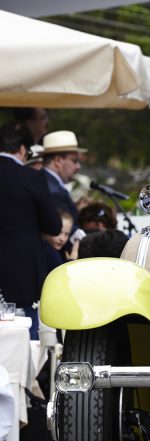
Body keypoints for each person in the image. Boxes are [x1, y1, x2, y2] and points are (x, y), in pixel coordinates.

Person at [0, 121, 62, 339]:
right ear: (23, 149)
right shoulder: (31, 178)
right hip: (22, 273)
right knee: (25, 339)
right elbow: (54, 226)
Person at [41, 130, 86, 224]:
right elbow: (65, 230)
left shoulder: (49, 183)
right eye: (74, 161)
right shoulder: (52, 190)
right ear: (58, 161)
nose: (78, 167)